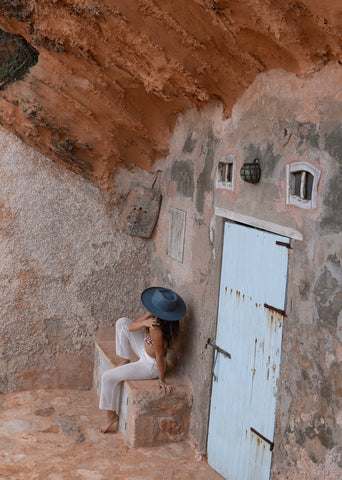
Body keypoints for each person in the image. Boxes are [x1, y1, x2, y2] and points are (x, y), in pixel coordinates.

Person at [99, 286, 186, 433]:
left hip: (149, 366)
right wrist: (144, 322)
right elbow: (132, 327)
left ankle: (111, 416)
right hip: (144, 351)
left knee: (107, 377)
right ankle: (125, 359)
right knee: (122, 322)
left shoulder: (156, 330)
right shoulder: (152, 318)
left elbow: (159, 356)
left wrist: (161, 380)